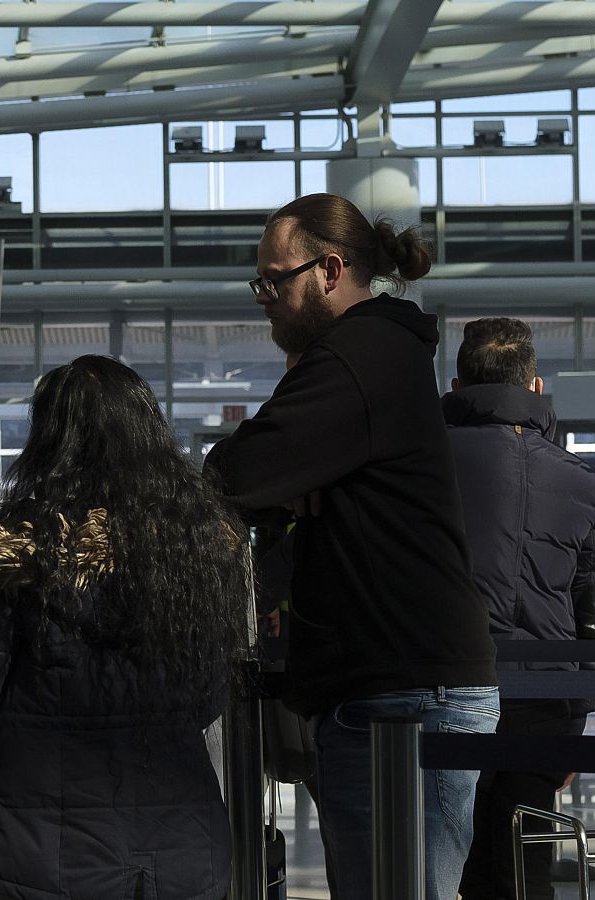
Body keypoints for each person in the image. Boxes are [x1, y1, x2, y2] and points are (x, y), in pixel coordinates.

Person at [205, 192, 499, 900]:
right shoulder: (373, 354)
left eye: (277, 280)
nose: (265, 298)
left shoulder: (358, 357)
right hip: (393, 686)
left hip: (405, 696)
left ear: (331, 268)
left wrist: (270, 487)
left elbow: (239, 472)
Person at [0, 356, 248, 899]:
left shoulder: (17, 549)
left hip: (34, 854)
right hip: (177, 853)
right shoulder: (196, 553)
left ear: (47, 442)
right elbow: (208, 698)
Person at [445, 319, 595, 900]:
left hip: (451, 691)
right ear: (536, 388)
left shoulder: (422, 472)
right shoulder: (581, 483)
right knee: (522, 866)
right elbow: (589, 612)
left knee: (450, 861)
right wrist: (575, 720)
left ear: (458, 384)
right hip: (545, 704)